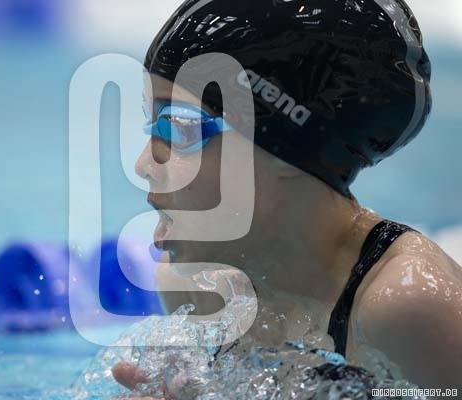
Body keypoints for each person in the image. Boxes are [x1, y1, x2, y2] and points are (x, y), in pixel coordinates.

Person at [112, 0, 462, 395]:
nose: (144, 164)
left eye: (180, 127)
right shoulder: (195, 288)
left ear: (288, 148)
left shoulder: (406, 309)